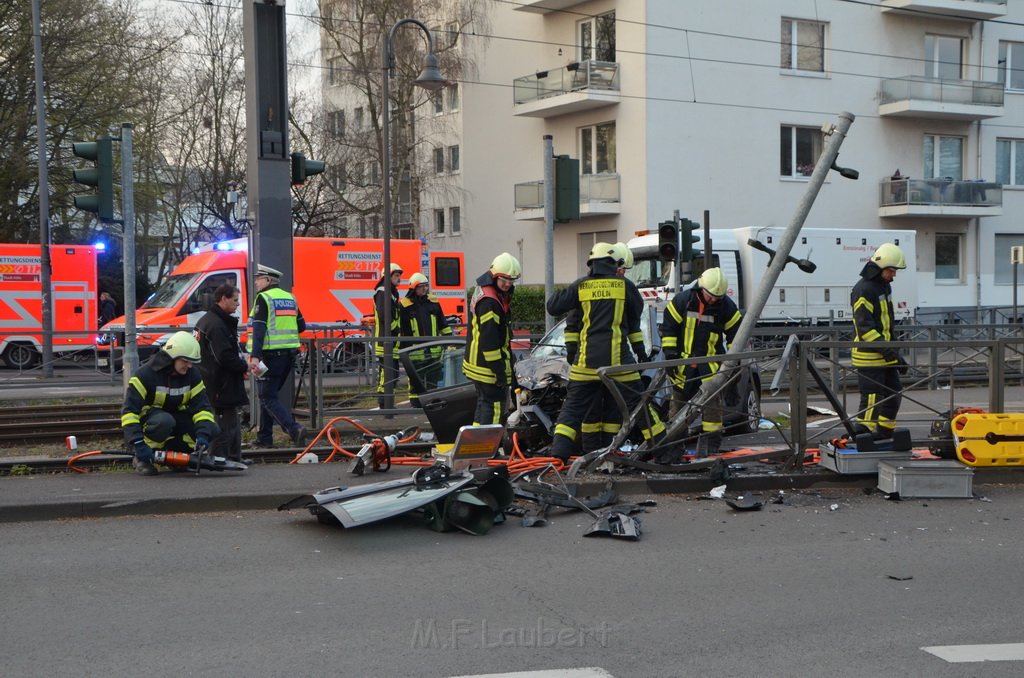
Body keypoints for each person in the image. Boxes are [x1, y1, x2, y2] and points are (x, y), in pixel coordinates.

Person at [547, 242, 663, 462]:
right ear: (612, 263)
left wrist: (570, 289)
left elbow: (553, 306)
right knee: (640, 407)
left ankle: (558, 456)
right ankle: (664, 450)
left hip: (585, 365)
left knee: (572, 412)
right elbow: (634, 321)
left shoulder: (581, 286)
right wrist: (641, 353)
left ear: (591, 264)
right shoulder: (625, 286)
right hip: (618, 364)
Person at [660, 267, 743, 458]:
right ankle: (675, 445)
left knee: (712, 410)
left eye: (718, 297)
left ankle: (710, 446)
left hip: (711, 369)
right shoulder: (683, 301)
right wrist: (671, 356)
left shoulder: (727, 307)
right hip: (683, 366)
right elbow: (669, 328)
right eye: (711, 295)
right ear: (701, 288)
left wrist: (733, 371)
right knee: (678, 408)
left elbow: (736, 339)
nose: (714, 299)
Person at [121, 331, 219, 476]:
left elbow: (202, 408)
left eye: (191, 362)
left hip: (174, 420)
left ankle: (176, 457)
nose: (190, 366)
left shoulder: (193, 375)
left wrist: (203, 435)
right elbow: (129, 413)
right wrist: (138, 443)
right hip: (151, 423)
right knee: (164, 421)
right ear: (172, 357)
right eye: (185, 361)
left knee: (212, 428)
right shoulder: (145, 375)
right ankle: (143, 460)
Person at [246, 264, 307, 448]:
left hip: (269, 357)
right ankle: (265, 438)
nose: (256, 282)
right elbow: (302, 326)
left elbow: (259, 329)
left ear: (268, 280)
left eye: (259, 278)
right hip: (288, 356)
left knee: (266, 397)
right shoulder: (290, 298)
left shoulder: (263, 298)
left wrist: (255, 357)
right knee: (269, 395)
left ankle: (294, 429)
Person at [851, 242, 907, 440]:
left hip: (885, 354)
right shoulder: (863, 289)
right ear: (880, 267)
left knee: (894, 395)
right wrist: (891, 352)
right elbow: (865, 328)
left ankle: (884, 435)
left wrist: (894, 354)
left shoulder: (883, 286)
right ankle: (861, 437)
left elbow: (887, 324)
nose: (894, 275)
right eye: (891, 270)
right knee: (871, 402)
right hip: (870, 356)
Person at [463, 252, 520, 426]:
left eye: (511, 280)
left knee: (483, 405)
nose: (508, 284)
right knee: (494, 407)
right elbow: (490, 342)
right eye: (504, 280)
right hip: (487, 366)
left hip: (478, 363)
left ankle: (476, 446)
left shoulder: (488, 293)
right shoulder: (490, 303)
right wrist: (500, 372)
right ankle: (490, 449)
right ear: (494, 276)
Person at [195, 283, 249, 463]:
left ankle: (232, 457)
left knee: (229, 419)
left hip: (213, 379)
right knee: (225, 422)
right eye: (235, 300)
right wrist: (243, 367)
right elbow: (224, 356)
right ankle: (223, 458)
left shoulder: (208, 320)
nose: (238, 304)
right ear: (223, 299)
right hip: (219, 381)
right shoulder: (217, 324)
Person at [398, 272, 453, 406]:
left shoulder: (433, 303)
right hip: (414, 352)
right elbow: (401, 331)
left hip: (434, 351)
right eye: (421, 286)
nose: (425, 289)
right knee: (416, 380)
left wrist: (450, 341)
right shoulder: (404, 306)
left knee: (433, 380)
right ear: (413, 288)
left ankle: (432, 405)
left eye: (426, 286)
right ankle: (416, 405)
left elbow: (443, 324)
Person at [374, 263, 403, 409]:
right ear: (388, 276)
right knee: (387, 373)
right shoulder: (383, 292)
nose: (399, 278)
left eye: (399, 275)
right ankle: (384, 403)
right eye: (396, 275)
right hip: (385, 341)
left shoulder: (390, 292)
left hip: (392, 340)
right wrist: (396, 328)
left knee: (392, 373)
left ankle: (387, 401)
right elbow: (385, 316)